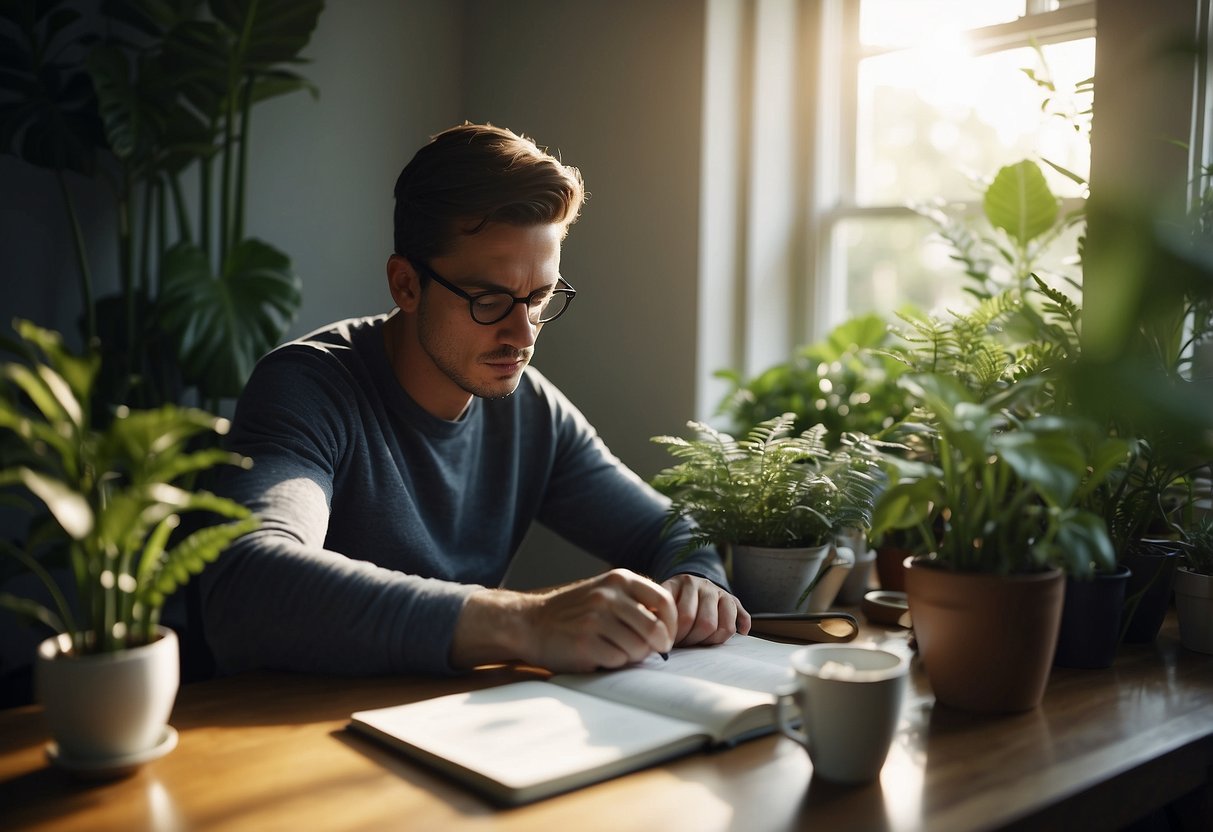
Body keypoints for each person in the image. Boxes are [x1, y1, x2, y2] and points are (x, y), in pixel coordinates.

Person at [199, 122, 750, 677]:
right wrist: (527, 622)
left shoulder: (532, 411)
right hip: (297, 735)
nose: (524, 334)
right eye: (489, 300)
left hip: (450, 728)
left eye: (538, 298)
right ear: (406, 285)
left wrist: (698, 580)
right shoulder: (307, 389)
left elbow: (672, 531)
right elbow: (250, 578)